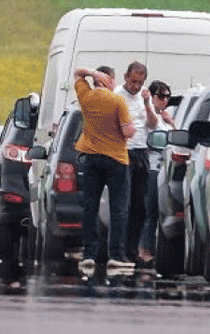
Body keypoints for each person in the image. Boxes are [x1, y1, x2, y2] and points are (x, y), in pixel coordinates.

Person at [73, 66, 136, 275]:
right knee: (119, 209)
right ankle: (116, 256)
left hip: (91, 159)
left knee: (89, 207)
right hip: (116, 159)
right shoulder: (118, 101)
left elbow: (76, 73)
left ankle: (88, 254)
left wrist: (91, 73)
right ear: (111, 79)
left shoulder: (86, 96)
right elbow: (128, 132)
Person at [113, 61, 153, 260]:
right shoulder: (117, 95)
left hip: (141, 152)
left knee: (140, 205)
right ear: (125, 76)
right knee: (123, 205)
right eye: (133, 81)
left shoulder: (144, 96)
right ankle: (119, 251)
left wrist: (147, 104)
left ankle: (132, 250)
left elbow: (153, 124)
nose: (135, 86)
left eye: (139, 83)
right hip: (123, 153)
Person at [138, 79, 175, 264]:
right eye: (161, 96)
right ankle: (144, 248)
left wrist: (171, 121)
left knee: (157, 211)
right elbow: (152, 129)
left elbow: (177, 138)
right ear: (152, 97)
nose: (165, 100)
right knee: (149, 210)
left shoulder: (167, 117)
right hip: (152, 167)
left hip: (165, 169)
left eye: (168, 96)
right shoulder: (148, 115)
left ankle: (148, 246)